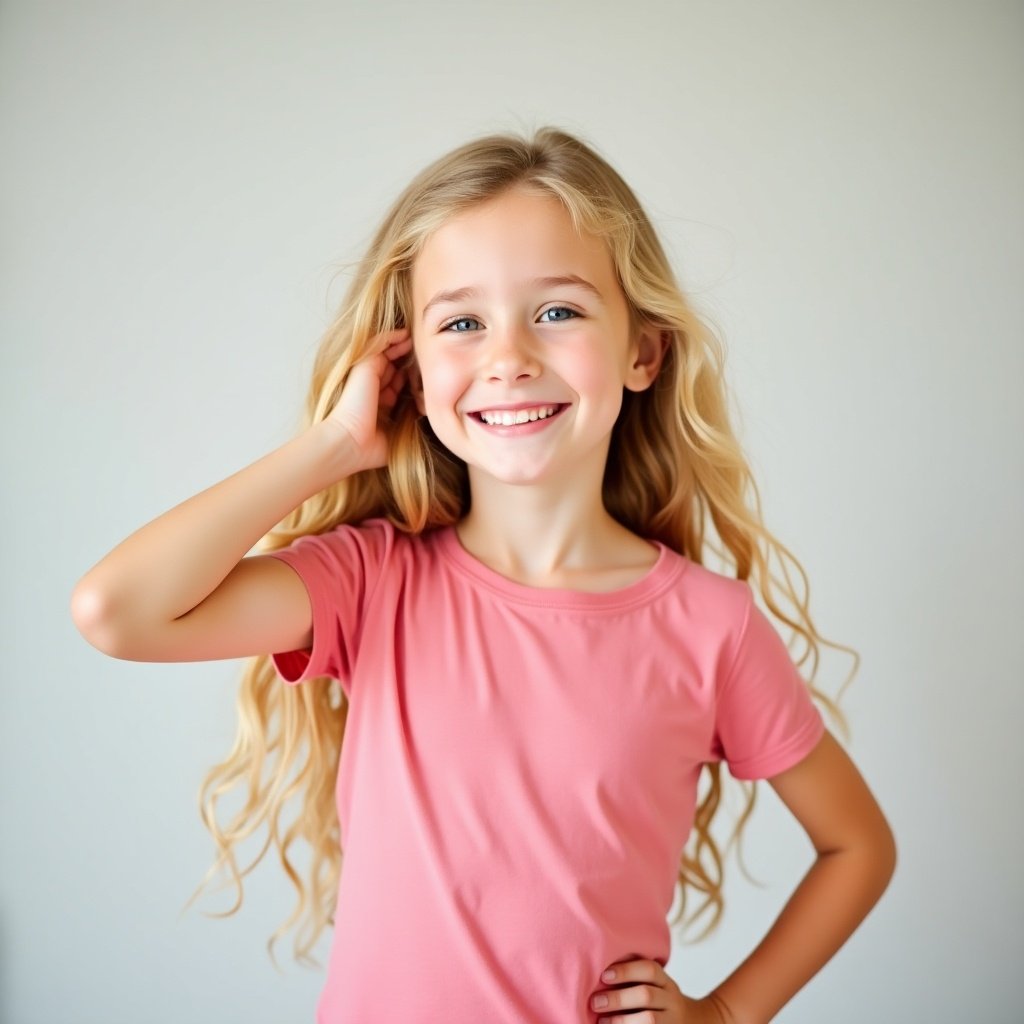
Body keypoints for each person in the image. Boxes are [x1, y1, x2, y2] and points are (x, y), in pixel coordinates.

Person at [71, 126, 896, 1024]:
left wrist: (727, 1015)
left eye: (558, 311)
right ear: (412, 376)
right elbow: (117, 612)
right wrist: (332, 447)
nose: (509, 357)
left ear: (643, 353)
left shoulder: (710, 627)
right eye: (462, 323)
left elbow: (857, 846)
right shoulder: (370, 585)